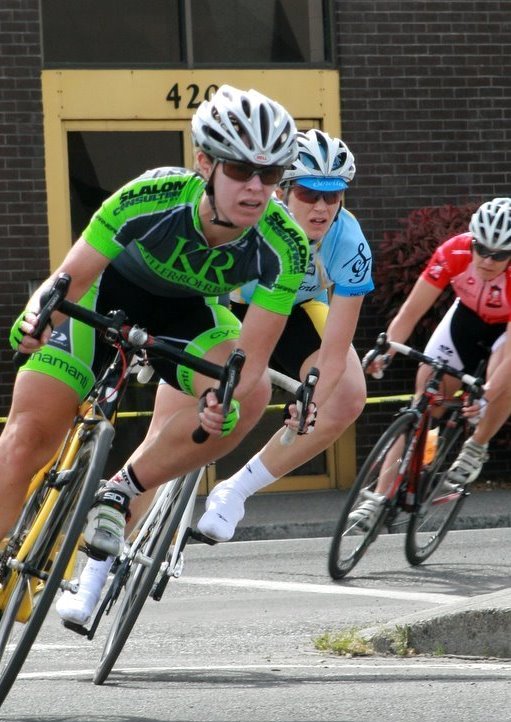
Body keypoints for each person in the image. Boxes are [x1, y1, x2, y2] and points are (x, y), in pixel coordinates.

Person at [2, 84, 310, 624]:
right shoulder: (151, 196)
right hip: (103, 296)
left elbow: (252, 358)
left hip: (187, 316)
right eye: (240, 170)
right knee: (28, 438)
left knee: (248, 396)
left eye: (272, 175)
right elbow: (69, 280)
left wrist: (221, 397)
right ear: (205, 163)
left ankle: (121, 490)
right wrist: (35, 323)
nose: (258, 188)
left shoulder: (285, 244)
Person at [195, 128, 374, 543]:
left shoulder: (348, 240)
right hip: (230, 306)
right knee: (214, 390)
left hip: (295, 313)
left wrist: (311, 401)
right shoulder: (250, 221)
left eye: (334, 195)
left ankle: (234, 491)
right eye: (310, 193)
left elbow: (334, 350)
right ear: (284, 191)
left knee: (346, 395)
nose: (323, 207)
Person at [350, 196, 511, 529]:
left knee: (500, 386)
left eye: (500, 255)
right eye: (481, 249)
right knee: (422, 405)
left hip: (504, 336)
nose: (487, 260)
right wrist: (388, 350)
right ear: (473, 241)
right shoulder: (454, 251)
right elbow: (411, 310)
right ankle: (378, 499)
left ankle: (476, 446)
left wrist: (486, 396)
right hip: (464, 322)